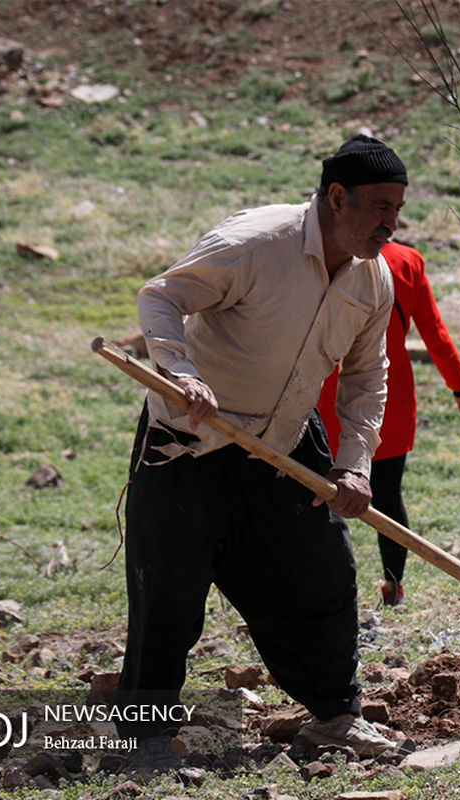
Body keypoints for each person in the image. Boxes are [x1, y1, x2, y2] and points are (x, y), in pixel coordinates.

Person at [113, 134, 408, 770]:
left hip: (284, 443)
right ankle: (142, 745)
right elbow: (160, 297)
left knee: (324, 577)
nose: (392, 220)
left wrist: (354, 464)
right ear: (337, 197)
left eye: (397, 207)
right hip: (189, 441)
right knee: (169, 594)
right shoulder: (256, 242)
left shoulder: (374, 277)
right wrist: (181, 369)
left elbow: (367, 378)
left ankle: (334, 718)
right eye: (380, 205)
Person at [317, 242, 460, 607]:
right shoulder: (407, 261)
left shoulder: (327, 253)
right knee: (388, 496)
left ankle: (324, 592)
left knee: (318, 496)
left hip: (324, 391)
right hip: (389, 395)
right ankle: (394, 588)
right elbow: (433, 330)